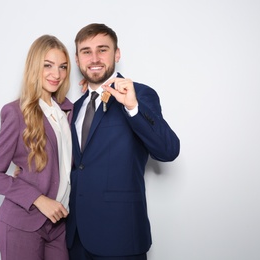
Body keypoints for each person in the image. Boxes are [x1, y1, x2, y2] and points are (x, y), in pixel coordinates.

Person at [66, 23, 180, 260]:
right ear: (77, 59)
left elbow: (168, 151)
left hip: (121, 237)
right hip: (76, 238)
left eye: (103, 49)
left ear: (117, 54)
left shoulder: (140, 95)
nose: (94, 57)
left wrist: (133, 107)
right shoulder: (75, 108)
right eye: (86, 51)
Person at [0, 35, 73, 260]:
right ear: (34, 66)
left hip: (59, 226)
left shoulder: (69, 112)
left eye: (62, 67)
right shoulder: (16, 112)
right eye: (48, 65)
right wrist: (38, 199)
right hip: (21, 224)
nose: (56, 74)